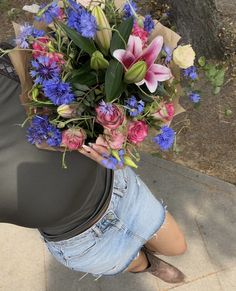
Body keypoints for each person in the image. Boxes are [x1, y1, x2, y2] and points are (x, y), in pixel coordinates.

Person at [0, 43, 187, 283]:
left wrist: (118, 134)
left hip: (117, 187)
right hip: (78, 240)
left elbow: (79, 80)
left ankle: (144, 258)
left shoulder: (6, 62)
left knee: (177, 247)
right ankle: (148, 265)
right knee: (136, 261)